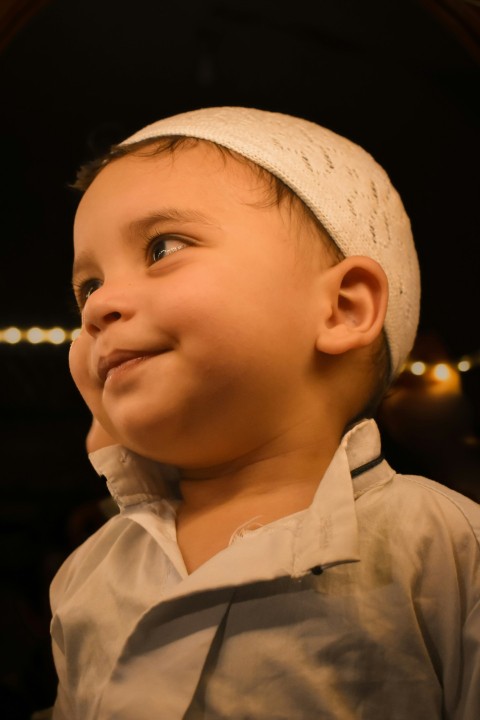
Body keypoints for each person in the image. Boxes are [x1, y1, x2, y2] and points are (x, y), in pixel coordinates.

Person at [50, 107, 480, 719]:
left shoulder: (447, 551)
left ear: (343, 309)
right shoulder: (86, 573)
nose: (98, 309)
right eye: (87, 287)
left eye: (162, 247)